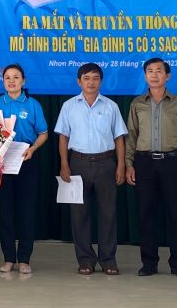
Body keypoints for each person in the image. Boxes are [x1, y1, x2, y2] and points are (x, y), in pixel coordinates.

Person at [125, 57, 177, 279]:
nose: (154, 75)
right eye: (150, 71)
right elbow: (131, 136)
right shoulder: (137, 104)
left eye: (159, 71)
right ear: (145, 76)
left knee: (176, 214)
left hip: (173, 162)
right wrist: (129, 164)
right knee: (146, 213)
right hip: (144, 162)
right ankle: (149, 263)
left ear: (168, 76)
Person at [55, 63, 127, 276]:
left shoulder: (111, 106)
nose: (91, 82)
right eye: (86, 78)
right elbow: (63, 137)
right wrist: (64, 164)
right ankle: (85, 260)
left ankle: (108, 260)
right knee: (79, 216)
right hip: (77, 163)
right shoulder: (69, 106)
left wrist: (121, 165)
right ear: (79, 82)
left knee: (108, 214)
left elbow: (119, 138)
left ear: (101, 81)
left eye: (95, 78)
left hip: (106, 163)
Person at [0, 64, 48, 275]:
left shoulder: (32, 105)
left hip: (26, 159)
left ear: (23, 81)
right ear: (3, 81)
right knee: (5, 211)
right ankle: (8, 258)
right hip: (3, 162)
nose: (12, 81)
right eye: (7, 78)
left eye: (16, 77)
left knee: (26, 211)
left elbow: (43, 133)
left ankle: (24, 259)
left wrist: (33, 149)